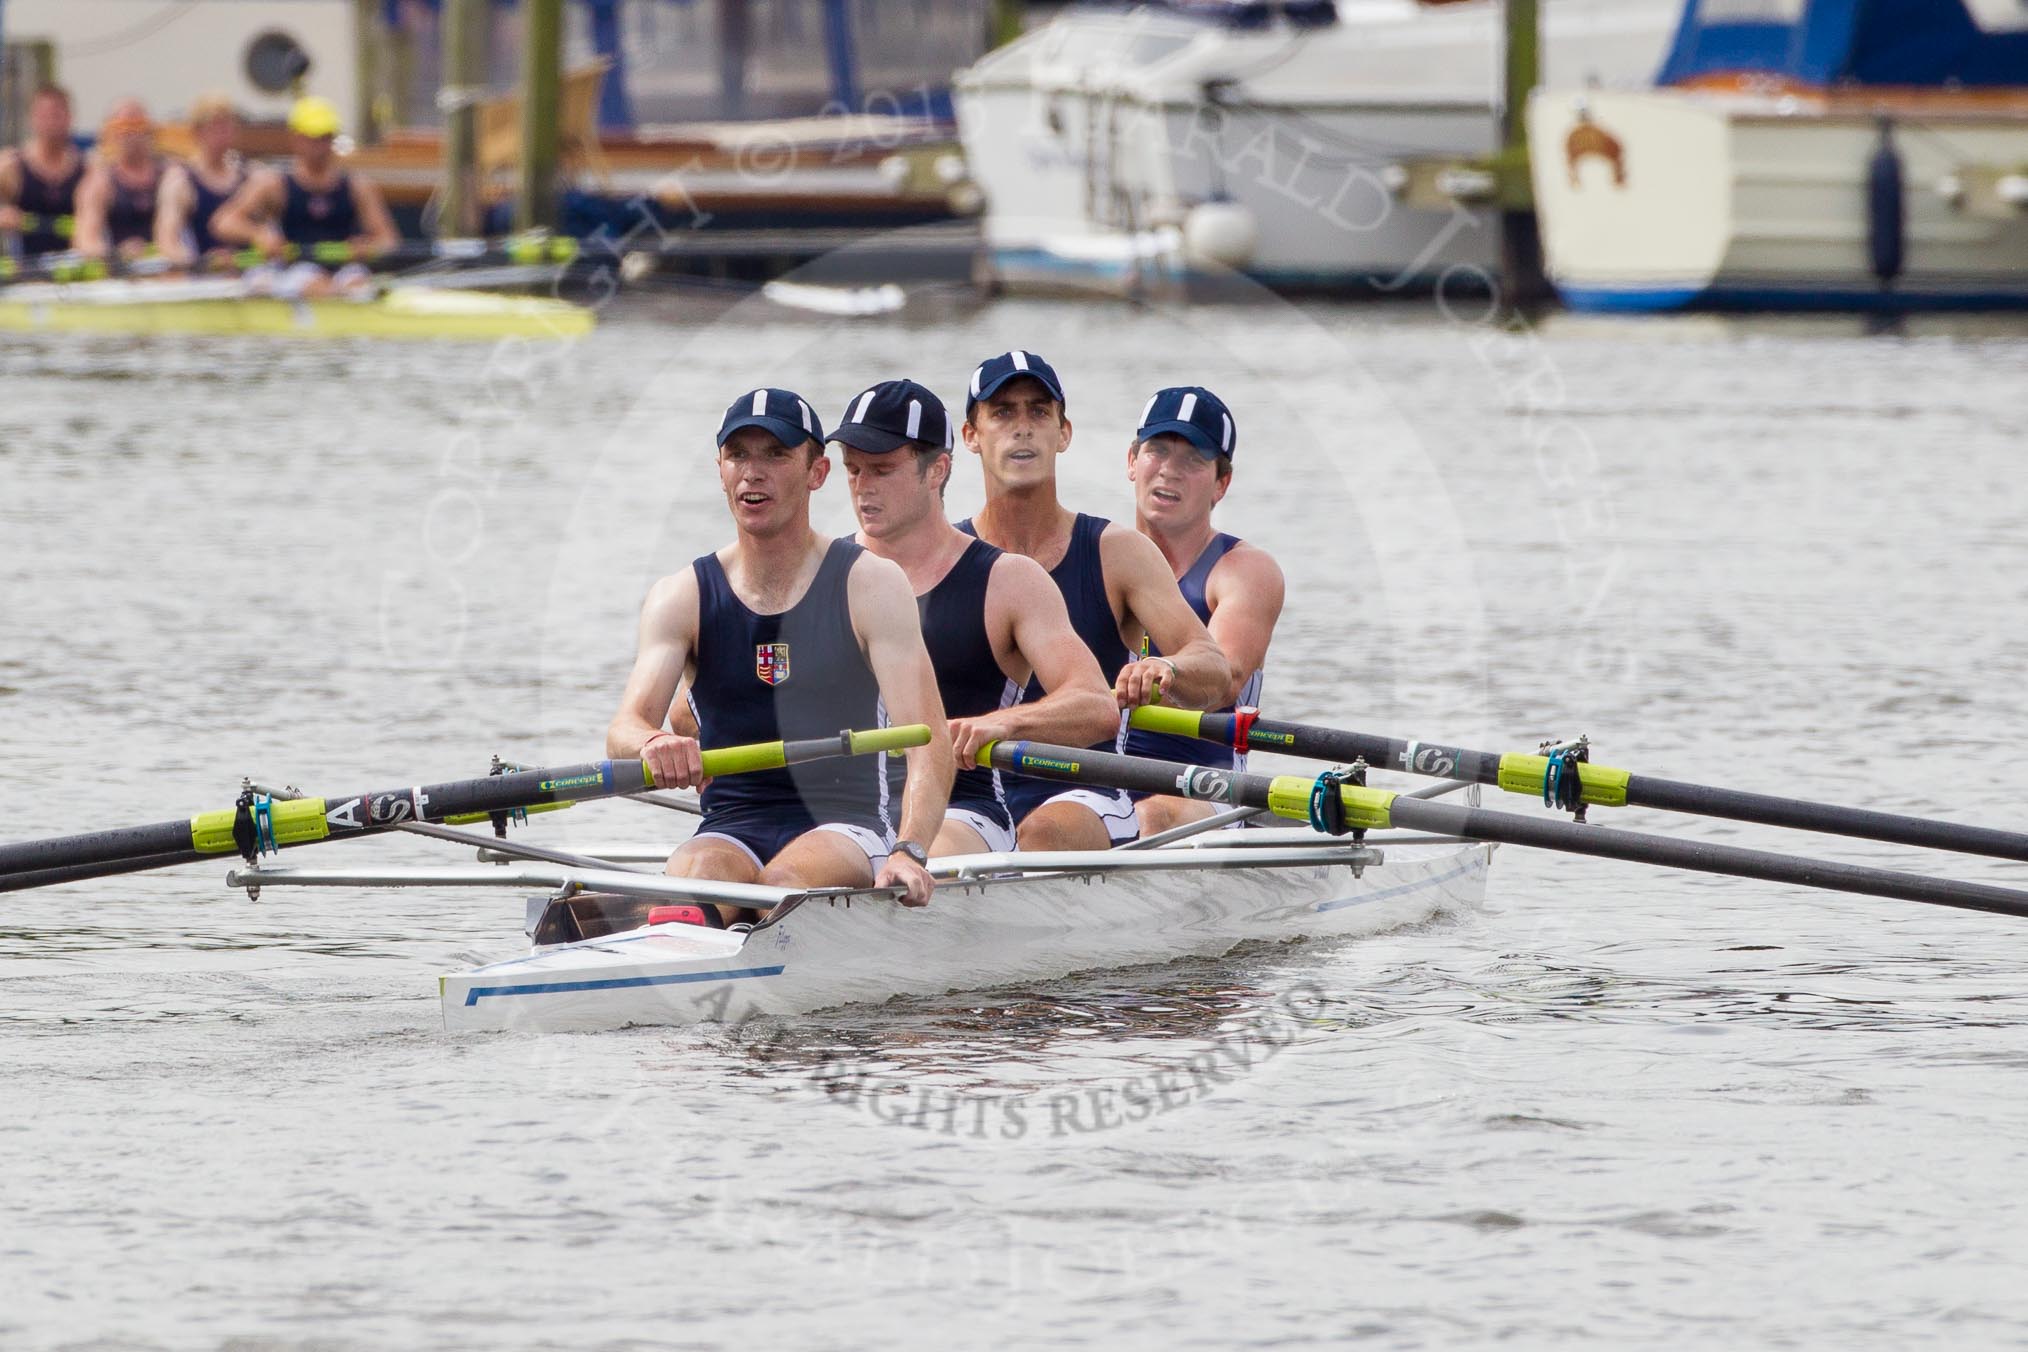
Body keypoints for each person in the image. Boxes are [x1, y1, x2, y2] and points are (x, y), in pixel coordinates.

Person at [608, 388, 954, 919]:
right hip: (731, 824)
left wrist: (910, 850)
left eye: (776, 454)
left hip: (846, 824)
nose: (753, 472)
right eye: (738, 454)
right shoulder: (682, 595)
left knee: (782, 883)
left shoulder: (871, 586)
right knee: (697, 880)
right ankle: (682, 944)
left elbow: (930, 742)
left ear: (816, 472)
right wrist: (653, 741)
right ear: (720, 469)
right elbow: (624, 731)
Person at [832, 378, 1120, 857]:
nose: (863, 488)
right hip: (846, 815)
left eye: (882, 470)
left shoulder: (1008, 581)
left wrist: (1004, 723)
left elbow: (1096, 706)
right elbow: (701, 711)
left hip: (962, 814)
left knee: (916, 860)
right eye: (853, 470)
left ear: (937, 471)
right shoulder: (822, 575)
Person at [958, 350, 1232, 851]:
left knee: (1038, 834)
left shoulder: (1117, 553)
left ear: (1063, 433)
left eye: (1039, 412)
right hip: (965, 794)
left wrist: (1168, 669)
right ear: (970, 436)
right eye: (1002, 413)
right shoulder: (943, 558)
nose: (1023, 429)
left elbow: (1212, 671)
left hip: (1083, 793)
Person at [1122, 386, 1286, 835]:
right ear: (1132, 461)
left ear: (1221, 484)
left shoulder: (1243, 571)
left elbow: (1224, 680)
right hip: (1099, 779)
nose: (1170, 471)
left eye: (1193, 460)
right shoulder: (1097, 555)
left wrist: (1165, 669)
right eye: (1157, 451)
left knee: (1148, 816)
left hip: (1204, 789)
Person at [210, 96, 399, 297]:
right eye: (313, 138)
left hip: (344, 271)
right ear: (296, 138)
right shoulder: (273, 183)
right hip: (291, 270)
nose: (320, 146)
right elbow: (223, 222)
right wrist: (258, 235)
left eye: (326, 137)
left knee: (359, 284)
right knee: (311, 282)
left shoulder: (357, 186)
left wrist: (369, 248)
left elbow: (389, 240)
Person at [153, 93, 248, 271]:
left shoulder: (249, 174)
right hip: (203, 275)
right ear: (197, 132)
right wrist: (196, 264)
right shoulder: (180, 180)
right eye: (215, 127)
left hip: (248, 273)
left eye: (227, 126)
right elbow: (167, 239)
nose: (222, 133)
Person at [72, 99, 166, 264]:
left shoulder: (169, 176)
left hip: (167, 267)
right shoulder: (99, 182)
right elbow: (86, 239)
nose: (132, 135)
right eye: (124, 127)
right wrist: (116, 255)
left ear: (150, 131)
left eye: (138, 126)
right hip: (120, 272)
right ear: (111, 133)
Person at [0, 84, 85, 258]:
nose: (51, 122)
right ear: (32, 119)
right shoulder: (12, 166)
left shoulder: (86, 167)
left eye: (57, 115)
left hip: (76, 267)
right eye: (44, 116)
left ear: (69, 117)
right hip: (26, 270)